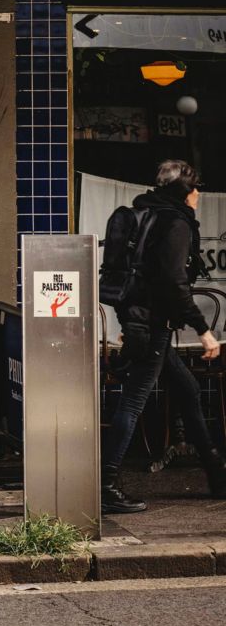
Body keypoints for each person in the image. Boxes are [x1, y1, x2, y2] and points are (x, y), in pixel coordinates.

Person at [102, 160, 225, 513]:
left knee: (187, 387)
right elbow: (174, 282)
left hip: (137, 319)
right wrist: (203, 330)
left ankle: (216, 472)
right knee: (133, 401)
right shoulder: (173, 222)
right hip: (153, 324)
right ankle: (106, 484)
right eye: (195, 187)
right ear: (183, 191)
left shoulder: (147, 214)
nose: (198, 193)